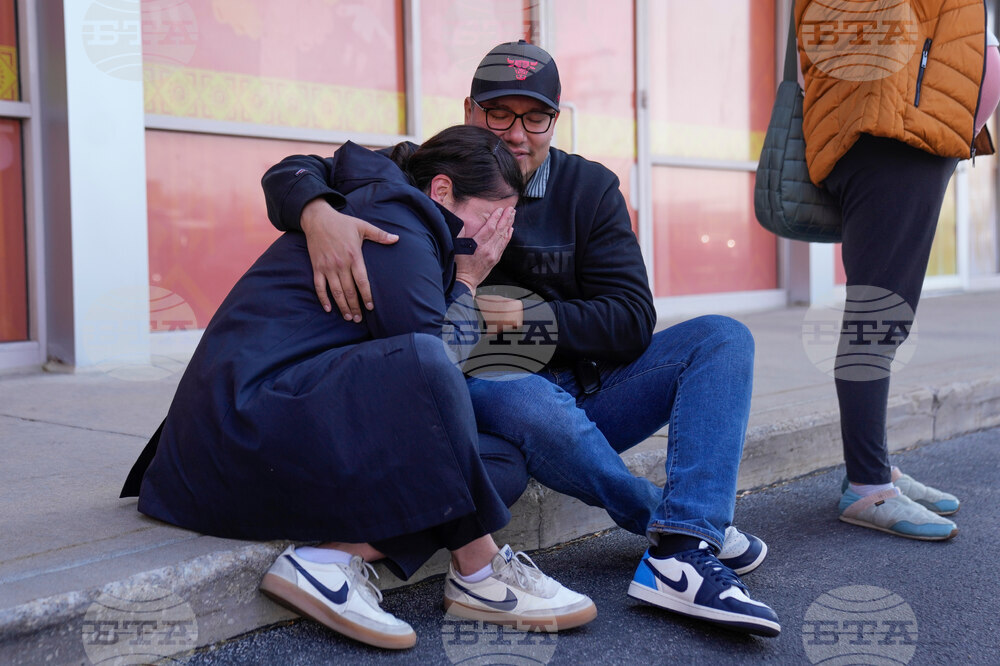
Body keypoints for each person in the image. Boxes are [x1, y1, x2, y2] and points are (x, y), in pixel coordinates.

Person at [262, 41, 780, 637]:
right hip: (483, 391)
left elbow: (632, 319)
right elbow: (292, 171)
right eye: (499, 113)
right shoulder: (434, 169)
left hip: (587, 392)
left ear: (555, 120)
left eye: (535, 117)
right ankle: (678, 533)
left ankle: (685, 542)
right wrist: (317, 212)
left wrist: (522, 317)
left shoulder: (590, 188)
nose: (516, 133)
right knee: (521, 404)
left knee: (722, 338)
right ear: (468, 110)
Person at [120, 126, 597, 651]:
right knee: (428, 363)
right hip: (239, 435)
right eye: (493, 216)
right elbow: (436, 364)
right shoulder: (397, 221)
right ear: (442, 191)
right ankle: (479, 569)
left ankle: (328, 561)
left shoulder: (409, 213)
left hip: (294, 415)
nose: (497, 236)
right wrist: (467, 280)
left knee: (497, 462)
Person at [796, 0, 999, 540]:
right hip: (889, 132)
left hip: (918, 130)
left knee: (888, 317)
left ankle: (875, 470)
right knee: (876, 317)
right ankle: (866, 486)